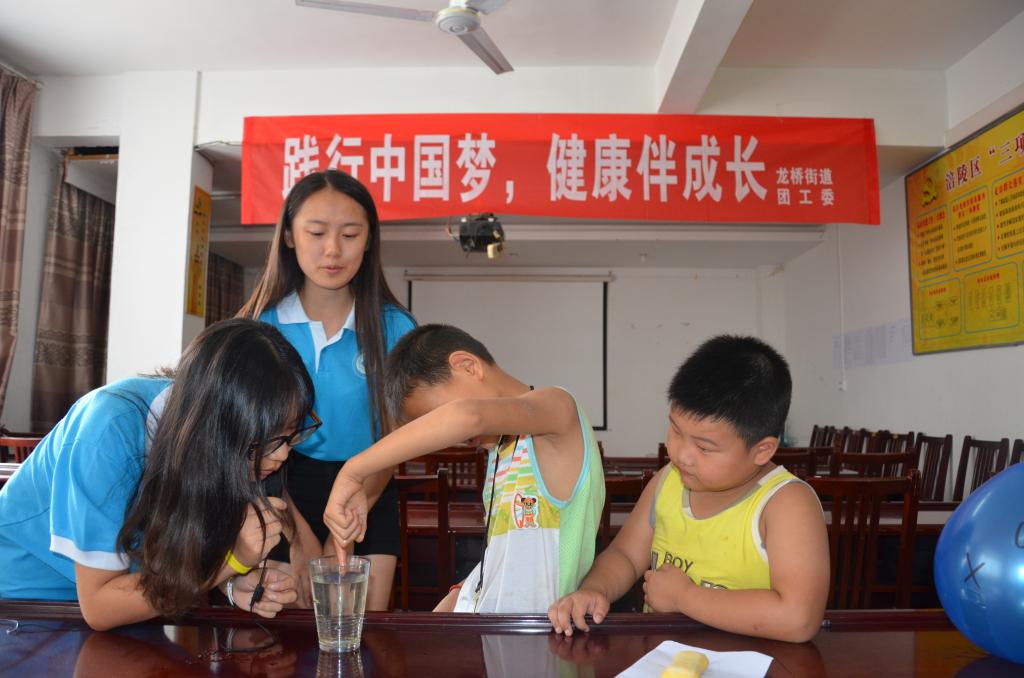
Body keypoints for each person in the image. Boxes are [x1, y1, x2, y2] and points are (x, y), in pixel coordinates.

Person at [0, 319, 311, 630]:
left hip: (137, 605)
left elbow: (182, 554)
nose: (282, 454)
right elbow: (100, 607)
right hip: (28, 607)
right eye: (266, 440)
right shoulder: (108, 431)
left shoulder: (211, 437)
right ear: (217, 423)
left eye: (289, 434)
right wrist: (228, 563)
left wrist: (231, 583)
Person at [548, 335, 829, 642]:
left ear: (762, 450)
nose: (681, 454)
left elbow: (798, 618)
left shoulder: (786, 503)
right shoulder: (667, 480)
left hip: (746, 659)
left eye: (704, 447)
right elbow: (625, 555)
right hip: (663, 658)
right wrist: (595, 589)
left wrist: (684, 597)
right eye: (676, 431)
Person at [324, 324, 605, 613]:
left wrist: (353, 471)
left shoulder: (557, 407)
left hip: (540, 633)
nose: (450, 436)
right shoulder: (500, 452)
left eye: (438, 416)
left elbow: (468, 416)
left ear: (468, 366)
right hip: (494, 631)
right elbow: (507, 560)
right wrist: (459, 596)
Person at [239, 169, 415, 610]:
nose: (333, 250)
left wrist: (352, 516)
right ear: (289, 236)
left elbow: (397, 438)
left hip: (370, 485)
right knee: (286, 623)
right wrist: (298, 536)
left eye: (350, 234)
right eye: (316, 233)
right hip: (278, 489)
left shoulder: (395, 328)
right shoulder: (259, 328)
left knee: (359, 625)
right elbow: (248, 444)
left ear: (369, 240)